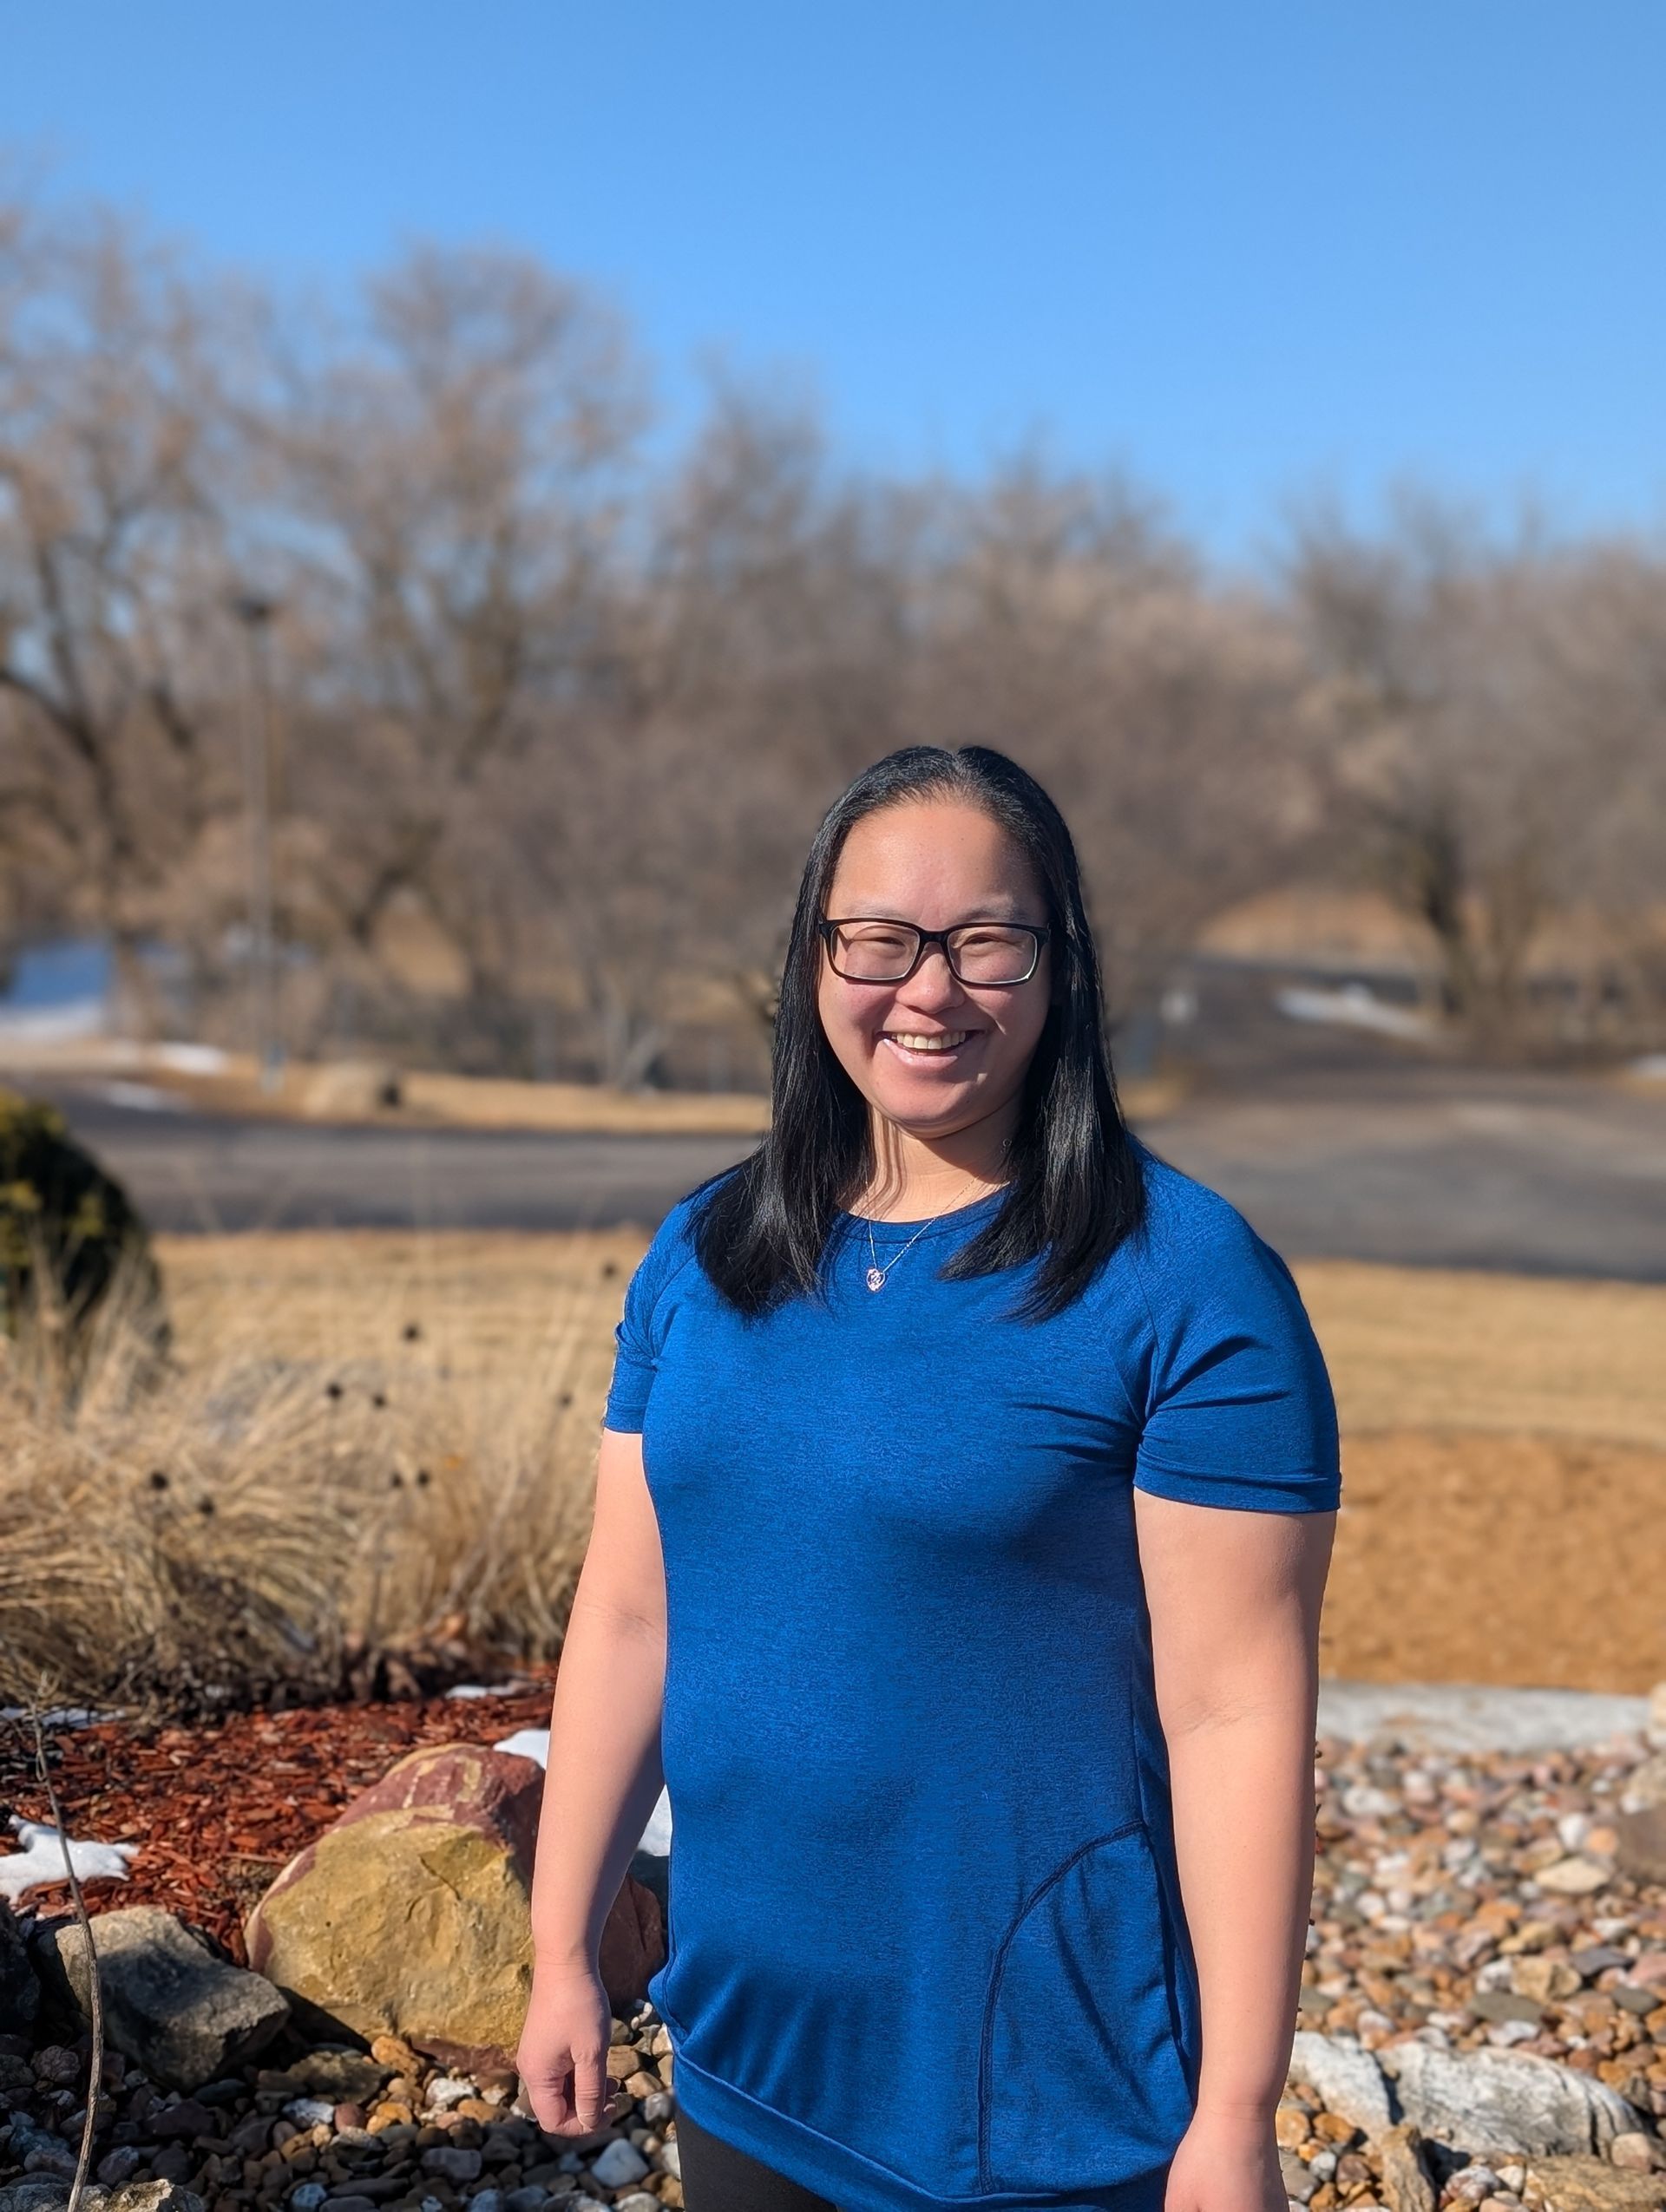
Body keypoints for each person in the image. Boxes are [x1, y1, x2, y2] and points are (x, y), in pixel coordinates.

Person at [515, 744, 1341, 2212]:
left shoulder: (1190, 1284)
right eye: (880, 939)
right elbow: (633, 1615)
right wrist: (563, 1950)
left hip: (1041, 2100)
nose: (930, 989)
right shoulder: (702, 1255)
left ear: (1061, 963)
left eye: (987, 941)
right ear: (817, 954)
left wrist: (1237, 2109)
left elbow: (1237, 1711)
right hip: (746, 2060)